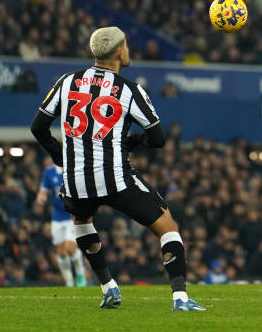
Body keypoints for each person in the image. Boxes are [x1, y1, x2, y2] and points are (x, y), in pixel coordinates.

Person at [30, 26, 205, 311]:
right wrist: (134, 141)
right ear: (120, 51)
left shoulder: (66, 81)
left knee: (83, 222)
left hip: (75, 180)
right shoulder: (129, 90)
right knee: (167, 227)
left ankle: (108, 288)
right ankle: (180, 298)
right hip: (115, 178)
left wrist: (58, 154)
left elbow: (37, 127)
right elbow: (159, 139)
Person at [36, 158, 87, 287]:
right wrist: (41, 196)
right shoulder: (49, 172)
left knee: (69, 248)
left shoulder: (75, 170)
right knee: (60, 253)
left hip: (73, 215)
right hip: (57, 216)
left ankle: (80, 274)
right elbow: (44, 188)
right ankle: (69, 280)